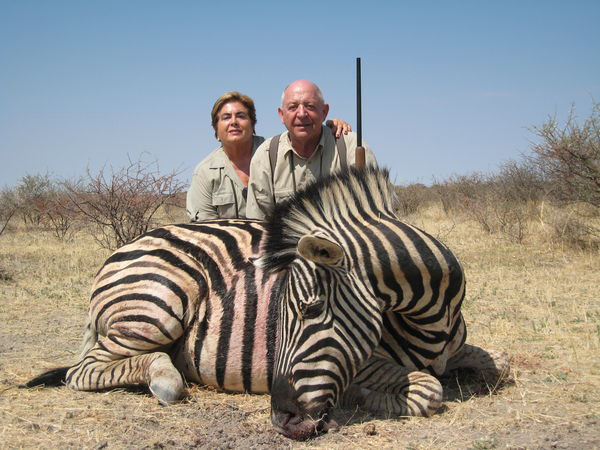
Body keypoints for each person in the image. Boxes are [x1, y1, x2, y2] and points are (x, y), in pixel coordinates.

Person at [186, 91, 352, 221]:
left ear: (253, 124)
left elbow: (300, 134)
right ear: (216, 130)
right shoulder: (205, 172)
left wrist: (327, 126)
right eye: (226, 117)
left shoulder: (272, 153)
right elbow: (205, 231)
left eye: (241, 116)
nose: (234, 122)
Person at [245, 80, 376, 220]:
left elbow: (377, 214)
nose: (301, 114)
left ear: (324, 112)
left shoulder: (351, 146)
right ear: (281, 115)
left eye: (310, 106)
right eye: (293, 107)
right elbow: (256, 222)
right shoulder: (266, 155)